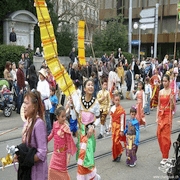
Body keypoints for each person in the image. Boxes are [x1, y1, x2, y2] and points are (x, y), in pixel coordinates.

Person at [70, 79, 101, 180]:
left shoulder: (96, 103)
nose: (91, 86)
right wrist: (71, 106)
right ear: (85, 88)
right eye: (89, 85)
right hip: (81, 132)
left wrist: (92, 127)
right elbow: (74, 117)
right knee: (81, 157)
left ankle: (93, 177)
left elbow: (99, 118)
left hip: (89, 134)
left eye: (92, 85)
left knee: (88, 157)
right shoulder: (80, 100)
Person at [17, 90, 48, 179]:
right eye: (23, 104)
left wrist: (26, 160)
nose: (24, 107)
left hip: (37, 174)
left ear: (34, 106)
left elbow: (42, 153)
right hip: (28, 172)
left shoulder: (39, 124)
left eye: (26, 103)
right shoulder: (27, 123)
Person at [48, 106, 77, 180]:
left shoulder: (66, 128)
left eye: (65, 116)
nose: (64, 118)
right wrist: (45, 140)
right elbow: (52, 134)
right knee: (51, 169)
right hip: (55, 153)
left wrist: (69, 156)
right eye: (62, 116)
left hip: (62, 155)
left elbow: (69, 142)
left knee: (63, 172)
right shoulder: (54, 124)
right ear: (57, 117)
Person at [156, 74, 175, 165]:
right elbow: (158, 105)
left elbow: (173, 107)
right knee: (159, 135)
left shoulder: (171, 92)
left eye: (166, 81)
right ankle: (163, 153)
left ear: (169, 81)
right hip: (161, 115)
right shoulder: (160, 92)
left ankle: (165, 156)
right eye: (163, 81)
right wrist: (157, 117)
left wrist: (171, 100)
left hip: (168, 116)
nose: (164, 83)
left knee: (166, 137)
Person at [109, 94, 126, 162]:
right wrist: (110, 126)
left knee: (116, 141)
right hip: (113, 126)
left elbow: (122, 121)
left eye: (118, 100)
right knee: (113, 141)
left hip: (118, 127)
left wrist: (122, 130)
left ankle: (120, 151)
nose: (117, 101)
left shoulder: (121, 110)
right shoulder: (112, 108)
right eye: (116, 100)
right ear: (113, 100)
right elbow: (111, 118)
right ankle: (116, 155)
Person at [37, 68, 52, 135]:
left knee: (47, 116)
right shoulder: (39, 82)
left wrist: (41, 93)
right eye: (39, 74)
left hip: (45, 102)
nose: (40, 76)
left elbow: (48, 94)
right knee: (40, 116)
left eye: (41, 75)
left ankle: (49, 130)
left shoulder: (46, 83)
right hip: (40, 101)